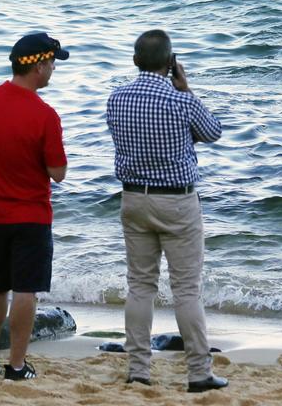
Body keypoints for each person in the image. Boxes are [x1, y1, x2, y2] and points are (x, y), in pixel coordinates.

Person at [106, 30, 227, 393]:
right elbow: (213, 132)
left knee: (140, 286)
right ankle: (199, 373)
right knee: (186, 290)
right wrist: (186, 88)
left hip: (133, 199)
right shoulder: (180, 100)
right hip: (177, 201)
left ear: (134, 61)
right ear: (170, 63)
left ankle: (139, 369)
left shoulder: (117, 99)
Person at [0, 32, 69, 381]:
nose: (53, 69)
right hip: (30, 215)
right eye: (52, 62)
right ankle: (18, 366)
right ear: (38, 66)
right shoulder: (44, 115)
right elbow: (58, 174)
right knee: (26, 290)